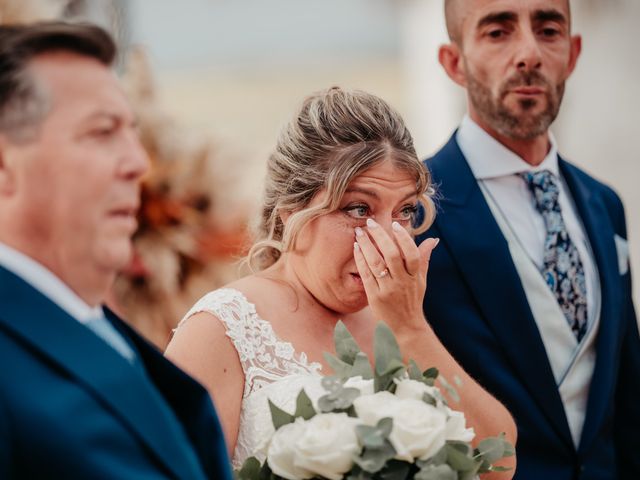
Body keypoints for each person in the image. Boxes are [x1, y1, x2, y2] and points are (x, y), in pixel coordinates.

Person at [166, 86, 517, 477]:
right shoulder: (220, 330)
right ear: (291, 211)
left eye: (403, 212)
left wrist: (410, 329)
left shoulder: (401, 314)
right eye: (358, 209)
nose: (386, 239)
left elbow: (498, 465)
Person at [416, 1, 640, 478]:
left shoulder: (605, 204)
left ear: (573, 54)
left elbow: (625, 391)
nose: (529, 54)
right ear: (453, 63)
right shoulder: (413, 210)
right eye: (498, 32)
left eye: (548, 30)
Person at [0, 22, 231, 479]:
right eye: (103, 132)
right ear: (5, 165)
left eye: (132, 132)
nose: (138, 164)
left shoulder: (99, 328)